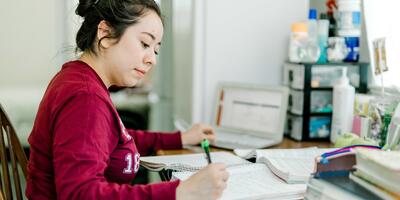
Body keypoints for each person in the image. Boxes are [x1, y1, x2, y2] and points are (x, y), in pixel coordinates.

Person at [25, 0, 229, 199]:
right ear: (105, 33)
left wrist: (180, 139)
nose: (152, 59)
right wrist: (180, 192)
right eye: (145, 43)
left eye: (155, 49)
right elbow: (80, 194)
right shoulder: (85, 99)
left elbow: (113, 137)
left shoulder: (80, 79)